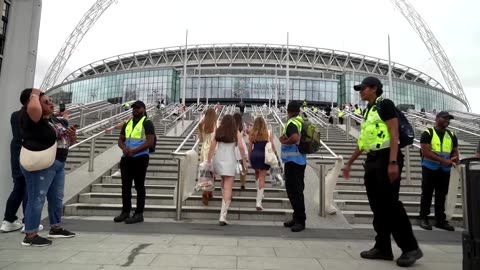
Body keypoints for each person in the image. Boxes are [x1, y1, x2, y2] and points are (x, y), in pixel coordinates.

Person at [343, 76, 422, 267]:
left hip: (387, 157)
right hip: (372, 159)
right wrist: (349, 163)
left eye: (363, 88)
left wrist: (393, 161)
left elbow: (394, 134)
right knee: (377, 205)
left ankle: (410, 248)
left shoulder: (385, 104)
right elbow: (363, 142)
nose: (360, 91)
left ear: (374, 88)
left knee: (390, 204)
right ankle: (383, 247)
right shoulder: (368, 110)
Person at [20, 88, 77, 246]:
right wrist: (35, 93)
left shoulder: (54, 120)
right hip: (41, 163)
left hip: (58, 162)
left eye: (51, 100)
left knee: (56, 198)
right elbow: (33, 108)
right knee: (37, 198)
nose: (51, 103)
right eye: (46, 101)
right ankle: (30, 235)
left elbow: (67, 141)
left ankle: (56, 228)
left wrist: (72, 136)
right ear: (35, 103)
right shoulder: (33, 117)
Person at [1, 89, 44, 233]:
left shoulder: (15, 115)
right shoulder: (32, 116)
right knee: (29, 189)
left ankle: (9, 220)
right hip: (28, 153)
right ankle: (28, 222)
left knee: (18, 187)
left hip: (16, 153)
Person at [114, 100, 155, 224]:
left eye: (138, 108)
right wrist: (124, 148)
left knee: (139, 186)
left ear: (143, 109)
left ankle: (139, 213)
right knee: (125, 186)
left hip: (140, 157)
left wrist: (135, 150)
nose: (135, 110)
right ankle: (125, 212)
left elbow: (150, 141)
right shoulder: (128, 123)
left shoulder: (147, 122)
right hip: (127, 158)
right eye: (134, 108)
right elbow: (120, 140)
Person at [418, 111, 458, 231]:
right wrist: (443, 161)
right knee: (427, 193)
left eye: (449, 119)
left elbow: (455, 150)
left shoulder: (451, 134)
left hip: (445, 170)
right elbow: (425, 152)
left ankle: (440, 220)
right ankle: (424, 217)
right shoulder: (428, 133)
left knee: (442, 195)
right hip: (429, 168)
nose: (447, 121)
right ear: (437, 119)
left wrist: (455, 158)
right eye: (445, 118)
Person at [208, 115, 248, 226]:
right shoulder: (236, 132)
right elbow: (241, 147)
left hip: (218, 159)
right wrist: (244, 161)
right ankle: (223, 215)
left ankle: (224, 202)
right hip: (230, 160)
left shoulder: (218, 131)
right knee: (228, 186)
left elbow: (212, 146)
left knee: (223, 181)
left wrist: (208, 160)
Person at [280, 101, 307, 232]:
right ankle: (297, 217)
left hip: (293, 161)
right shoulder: (300, 121)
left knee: (294, 191)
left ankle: (300, 220)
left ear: (288, 110)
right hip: (300, 160)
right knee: (297, 190)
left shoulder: (292, 122)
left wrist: (284, 141)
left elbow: (295, 137)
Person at [249, 117, 276, 210]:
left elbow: (249, 147)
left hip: (254, 154)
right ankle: (258, 201)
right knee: (262, 178)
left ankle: (259, 192)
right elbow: (272, 146)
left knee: (257, 174)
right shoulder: (267, 132)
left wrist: (249, 157)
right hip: (264, 156)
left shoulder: (252, 133)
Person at [198, 108, 217, 205]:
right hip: (213, 149)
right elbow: (216, 139)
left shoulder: (201, 124)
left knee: (205, 172)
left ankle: (208, 191)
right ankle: (206, 192)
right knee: (212, 171)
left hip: (204, 149)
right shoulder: (216, 124)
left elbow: (200, 139)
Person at [233, 113, 248, 190]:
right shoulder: (242, 125)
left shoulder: (231, 126)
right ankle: (243, 183)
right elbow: (245, 133)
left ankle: (230, 182)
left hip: (233, 145)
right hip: (241, 143)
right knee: (243, 165)